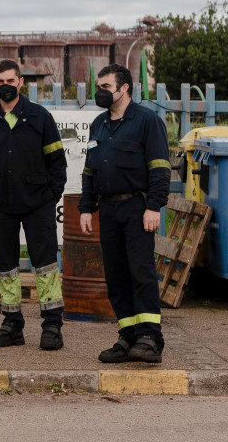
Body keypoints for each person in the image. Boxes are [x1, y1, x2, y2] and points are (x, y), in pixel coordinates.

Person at [0, 60, 68, 350]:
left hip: (38, 205)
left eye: (11, 81)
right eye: (0, 81)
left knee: (46, 266)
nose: (5, 86)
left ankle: (52, 326)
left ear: (21, 82)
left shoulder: (40, 117)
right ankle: (12, 325)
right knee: (6, 267)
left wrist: (50, 197)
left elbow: (57, 162)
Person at [78, 63, 171, 364]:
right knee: (116, 275)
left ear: (124, 88)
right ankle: (128, 335)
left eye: (106, 87)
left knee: (141, 272)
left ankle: (149, 338)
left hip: (137, 207)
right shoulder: (98, 124)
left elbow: (160, 168)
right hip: (108, 208)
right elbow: (90, 170)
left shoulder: (147, 121)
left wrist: (153, 206)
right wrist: (86, 208)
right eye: (99, 87)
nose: (100, 92)